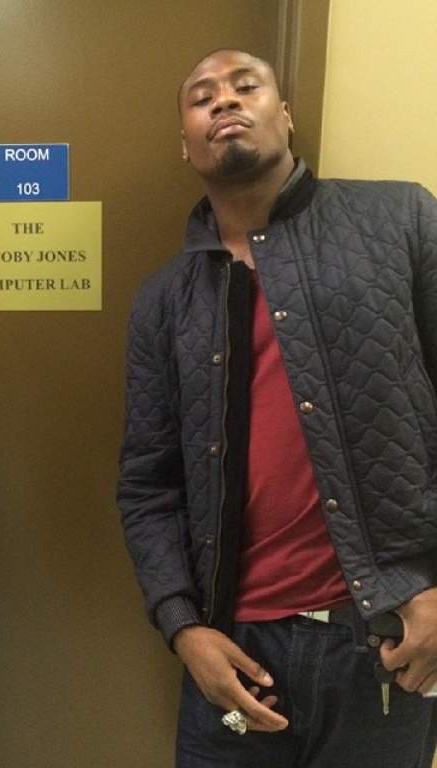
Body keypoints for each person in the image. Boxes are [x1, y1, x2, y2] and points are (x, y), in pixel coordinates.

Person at [117, 48, 437, 767]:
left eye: (245, 86)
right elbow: (148, 483)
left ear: (285, 115)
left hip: (382, 644)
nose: (224, 102)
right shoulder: (165, 300)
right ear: (186, 141)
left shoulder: (402, 220)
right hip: (232, 655)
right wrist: (183, 628)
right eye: (202, 97)